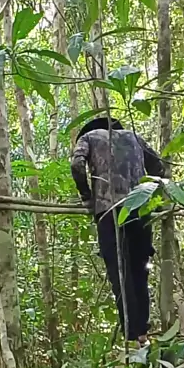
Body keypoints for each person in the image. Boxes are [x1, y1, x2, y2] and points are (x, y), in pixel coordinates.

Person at [71, 116, 164, 346]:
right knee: (140, 271)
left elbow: (77, 165)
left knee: (119, 273)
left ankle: (132, 336)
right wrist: (156, 196)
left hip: (109, 210)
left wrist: (87, 196)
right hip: (140, 208)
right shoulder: (135, 137)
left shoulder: (89, 137)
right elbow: (158, 166)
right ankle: (142, 334)